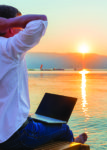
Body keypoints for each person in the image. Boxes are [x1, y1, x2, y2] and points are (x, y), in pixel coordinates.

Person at [0, 5, 87, 150]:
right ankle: (74, 143)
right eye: (19, 26)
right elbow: (41, 21)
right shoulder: (11, 48)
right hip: (12, 137)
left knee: (36, 121)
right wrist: (9, 22)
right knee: (63, 128)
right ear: (9, 28)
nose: (22, 31)